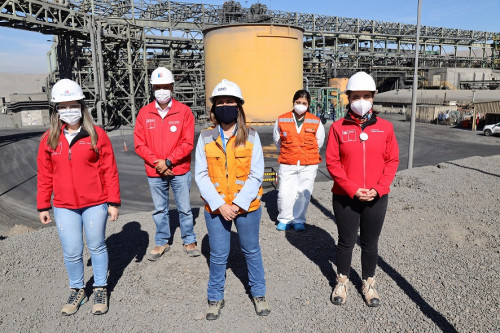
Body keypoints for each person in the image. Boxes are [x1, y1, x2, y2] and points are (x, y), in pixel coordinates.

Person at [37, 79, 121, 316]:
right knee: (72, 251)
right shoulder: (49, 139)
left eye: (72, 104)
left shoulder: (97, 135)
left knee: (96, 246)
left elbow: (109, 171)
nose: (68, 110)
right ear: (56, 110)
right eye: (62, 106)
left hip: (96, 203)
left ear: (81, 106)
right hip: (64, 206)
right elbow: (45, 175)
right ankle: (77, 289)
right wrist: (43, 205)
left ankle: (100, 288)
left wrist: (113, 202)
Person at [195, 79, 270, 320]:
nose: (225, 106)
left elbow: (257, 173)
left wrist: (237, 204)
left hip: (246, 207)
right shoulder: (205, 137)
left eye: (230, 102)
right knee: (218, 255)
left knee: (251, 250)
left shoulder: (252, 136)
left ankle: (258, 294)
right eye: (221, 102)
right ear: (214, 108)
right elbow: (201, 174)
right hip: (217, 209)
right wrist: (221, 205)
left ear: (239, 106)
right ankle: (215, 297)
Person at [325, 72, 399, 307]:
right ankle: (342, 280)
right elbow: (332, 162)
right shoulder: (338, 128)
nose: (361, 101)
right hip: (346, 197)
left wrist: (379, 189)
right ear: (348, 98)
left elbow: (392, 161)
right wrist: (352, 188)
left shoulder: (386, 128)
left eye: (366, 96)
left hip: (377, 197)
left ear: (373, 98)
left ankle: (368, 282)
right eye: (356, 96)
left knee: (370, 242)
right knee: (346, 241)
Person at [134, 67, 200, 261]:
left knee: (185, 208)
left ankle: (189, 239)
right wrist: (158, 163)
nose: (161, 90)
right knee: (160, 209)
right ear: (153, 89)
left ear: (172, 87)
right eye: (157, 87)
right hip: (155, 171)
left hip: (178, 169)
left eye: (165, 86)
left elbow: (187, 142)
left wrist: (169, 161)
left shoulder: (184, 112)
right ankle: (162, 241)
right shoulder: (144, 113)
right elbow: (139, 143)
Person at [273, 90, 325, 231]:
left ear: (308, 105)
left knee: (303, 193)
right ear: (293, 102)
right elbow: (277, 140)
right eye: (298, 102)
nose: (300, 105)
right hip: (287, 161)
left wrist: (305, 154)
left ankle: (298, 220)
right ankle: (284, 219)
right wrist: (289, 152)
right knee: (284, 192)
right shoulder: (282, 119)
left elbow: (319, 142)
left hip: (309, 163)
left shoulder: (315, 121)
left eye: (304, 103)